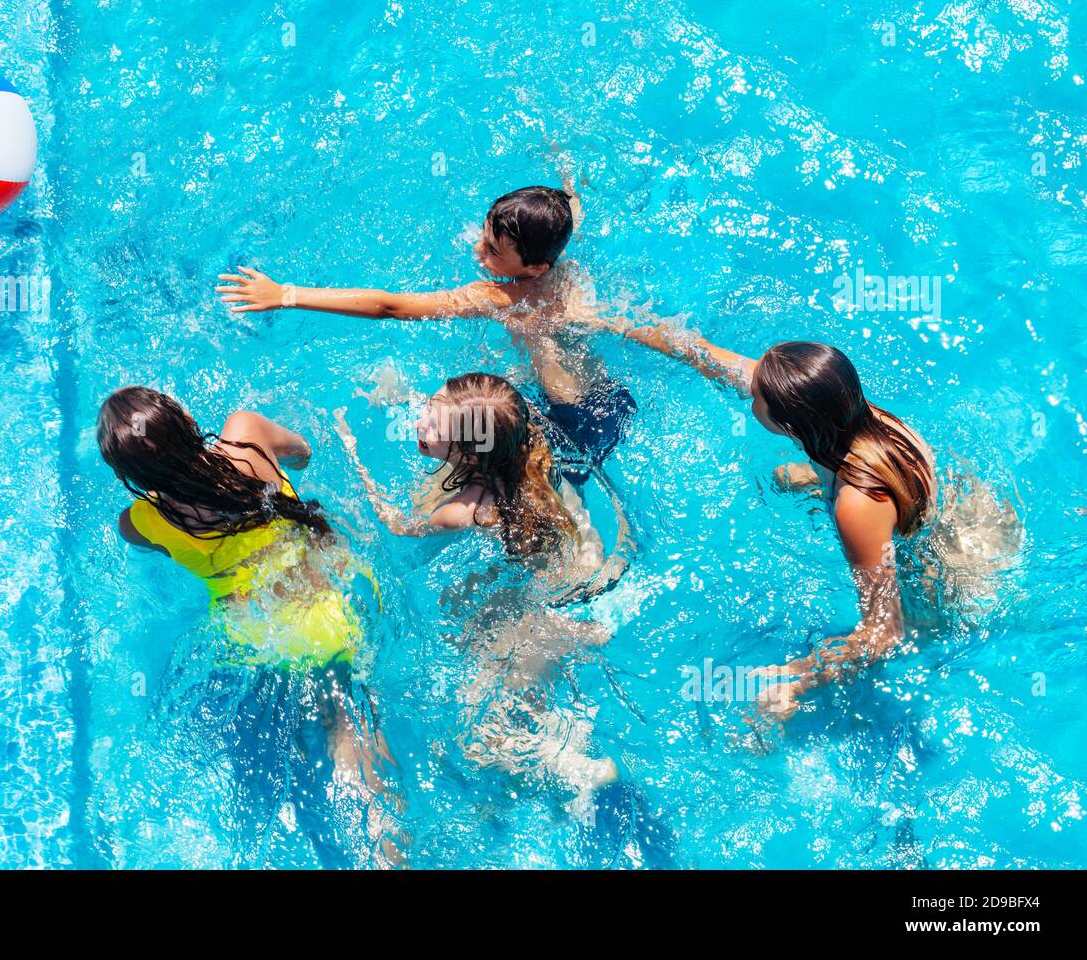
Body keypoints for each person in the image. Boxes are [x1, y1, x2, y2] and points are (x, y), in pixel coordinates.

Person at [336, 372, 671, 864]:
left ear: (469, 456)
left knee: (478, 744)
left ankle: (579, 770)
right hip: (575, 577)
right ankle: (567, 755)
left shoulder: (466, 510)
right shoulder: (525, 447)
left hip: (525, 621)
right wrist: (403, 394)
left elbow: (393, 523)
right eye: (429, 407)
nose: (421, 421)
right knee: (526, 707)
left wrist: (350, 454)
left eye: (432, 422)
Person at [97, 385, 407, 867]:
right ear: (181, 418)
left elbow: (163, 553)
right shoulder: (245, 435)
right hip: (328, 606)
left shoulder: (139, 521)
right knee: (348, 735)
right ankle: (391, 851)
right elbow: (303, 452)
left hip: (254, 640)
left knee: (279, 759)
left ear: (129, 474)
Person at [605, 323, 937, 722]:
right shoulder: (848, 412)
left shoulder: (858, 505)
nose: (750, 394)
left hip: (938, 580)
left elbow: (886, 633)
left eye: (757, 398)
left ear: (790, 426)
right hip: (918, 506)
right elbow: (703, 353)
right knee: (785, 476)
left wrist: (795, 677)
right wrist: (609, 322)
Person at [217, 186, 636, 485]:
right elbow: (637, 327)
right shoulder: (564, 268)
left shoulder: (499, 297)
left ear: (535, 268)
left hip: (568, 427)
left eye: (492, 251)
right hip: (605, 400)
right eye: (484, 236)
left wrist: (285, 294)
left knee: (483, 462)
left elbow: (389, 306)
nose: (478, 251)